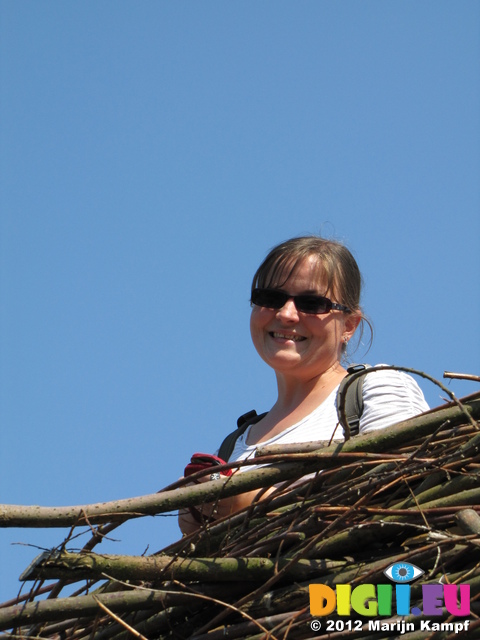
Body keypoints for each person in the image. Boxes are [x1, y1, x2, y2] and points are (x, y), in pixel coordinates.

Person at [178, 236, 429, 535]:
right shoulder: (237, 443)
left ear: (349, 326)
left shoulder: (379, 387)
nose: (285, 314)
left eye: (312, 303)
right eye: (270, 298)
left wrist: (249, 503)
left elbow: (397, 498)